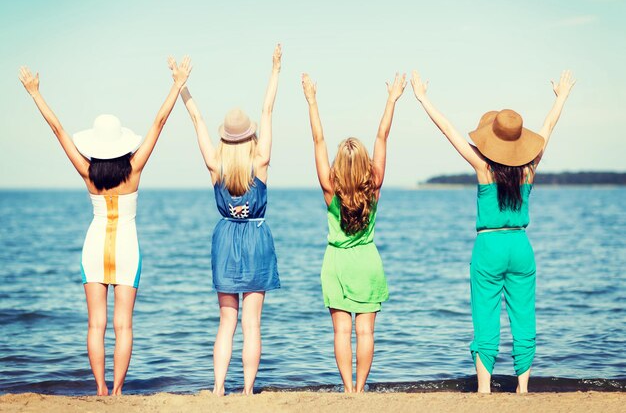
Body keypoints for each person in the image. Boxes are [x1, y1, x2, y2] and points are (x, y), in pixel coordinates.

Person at [18, 57, 192, 395]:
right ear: (122, 143)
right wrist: (176, 84)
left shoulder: (87, 172)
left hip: (94, 246)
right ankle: (116, 392)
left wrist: (35, 93)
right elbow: (158, 123)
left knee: (96, 324)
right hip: (127, 247)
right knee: (123, 324)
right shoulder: (135, 168)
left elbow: (58, 131)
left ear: (96, 145)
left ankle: (99, 389)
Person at [410, 69, 576, 393]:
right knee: (524, 318)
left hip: (488, 247)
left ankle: (484, 390)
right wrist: (561, 97)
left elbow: (449, 130)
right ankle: (523, 389)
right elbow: (548, 127)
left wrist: (422, 98)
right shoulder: (530, 167)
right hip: (521, 246)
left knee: (485, 317)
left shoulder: (483, 168)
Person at [178, 45, 281, 396]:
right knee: (252, 324)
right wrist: (275, 71)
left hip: (225, 240)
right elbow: (267, 109)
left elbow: (197, 119)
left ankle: (219, 388)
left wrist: (181, 86)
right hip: (256, 237)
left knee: (227, 322)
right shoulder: (261, 162)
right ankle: (248, 392)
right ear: (249, 136)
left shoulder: (215, 165)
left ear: (225, 137)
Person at [301, 71, 406, 392]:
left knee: (341, 332)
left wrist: (311, 100)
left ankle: (347, 389)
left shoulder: (330, 189)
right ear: (365, 165)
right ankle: (361, 389)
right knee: (366, 333)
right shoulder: (373, 187)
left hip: (337, 263)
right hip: (367, 263)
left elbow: (318, 140)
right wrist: (392, 100)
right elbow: (382, 137)